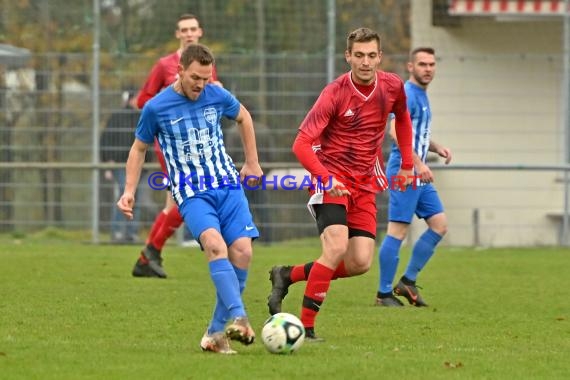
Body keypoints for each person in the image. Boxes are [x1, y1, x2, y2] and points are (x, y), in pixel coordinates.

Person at [266, 27, 415, 340]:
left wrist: (408, 165)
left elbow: (401, 118)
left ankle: (287, 274)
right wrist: (325, 177)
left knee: (360, 261)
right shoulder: (334, 92)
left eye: (371, 55)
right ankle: (305, 328)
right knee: (334, 248)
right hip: (330, 178)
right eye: (358, 55)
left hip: (364, 182)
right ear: (348, 56)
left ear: (380, 57)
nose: (365, 62)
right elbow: (302, 143)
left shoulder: (392, 86)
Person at [117, 44, 262, 354]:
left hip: (227, 185)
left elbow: (244, 117)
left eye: (206, 78)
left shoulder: (216, 95)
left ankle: (213, 334)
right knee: (215, 246)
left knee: (243, 253)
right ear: (180, 71)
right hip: (191, 191)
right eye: (195, 77)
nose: (200, 84)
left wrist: (251, 162)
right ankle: (240, 317)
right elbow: (138, 149)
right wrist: (129, 191)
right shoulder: (156, 107)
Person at [133, 13, 221, 278]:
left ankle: (148, 256)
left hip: (198, 146)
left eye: (193, 29)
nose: (189, 33)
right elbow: (143, 101)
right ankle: (150, 253)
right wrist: (170, 99)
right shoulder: (164, 65)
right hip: (171, 146)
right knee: (187, 200)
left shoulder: (207, 64)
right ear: (177, 34)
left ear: (200, 32)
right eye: (184, 29)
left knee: (174, 205)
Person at [375, 47, 452, 307]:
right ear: (410, 67)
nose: (428, 69)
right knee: (398, 230)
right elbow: (395, 131)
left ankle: (407, 282)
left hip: (417, 171)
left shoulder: (422, 95)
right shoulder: (407, 93)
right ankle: (383, 293)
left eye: (431, 64)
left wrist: (437, 147)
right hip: (404, 170)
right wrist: (417, 164)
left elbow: (416, 133)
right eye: (422, 64)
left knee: (439, 224)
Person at [100, 90, 143, 243]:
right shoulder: (117, 117)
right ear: (131, 99)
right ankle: (118, 231)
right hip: (121, 165)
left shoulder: (142, 116)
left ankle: (131, 233)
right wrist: (108, 161)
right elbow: (107, 139)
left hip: (140, 167)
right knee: (124, 197)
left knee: (136, 199)